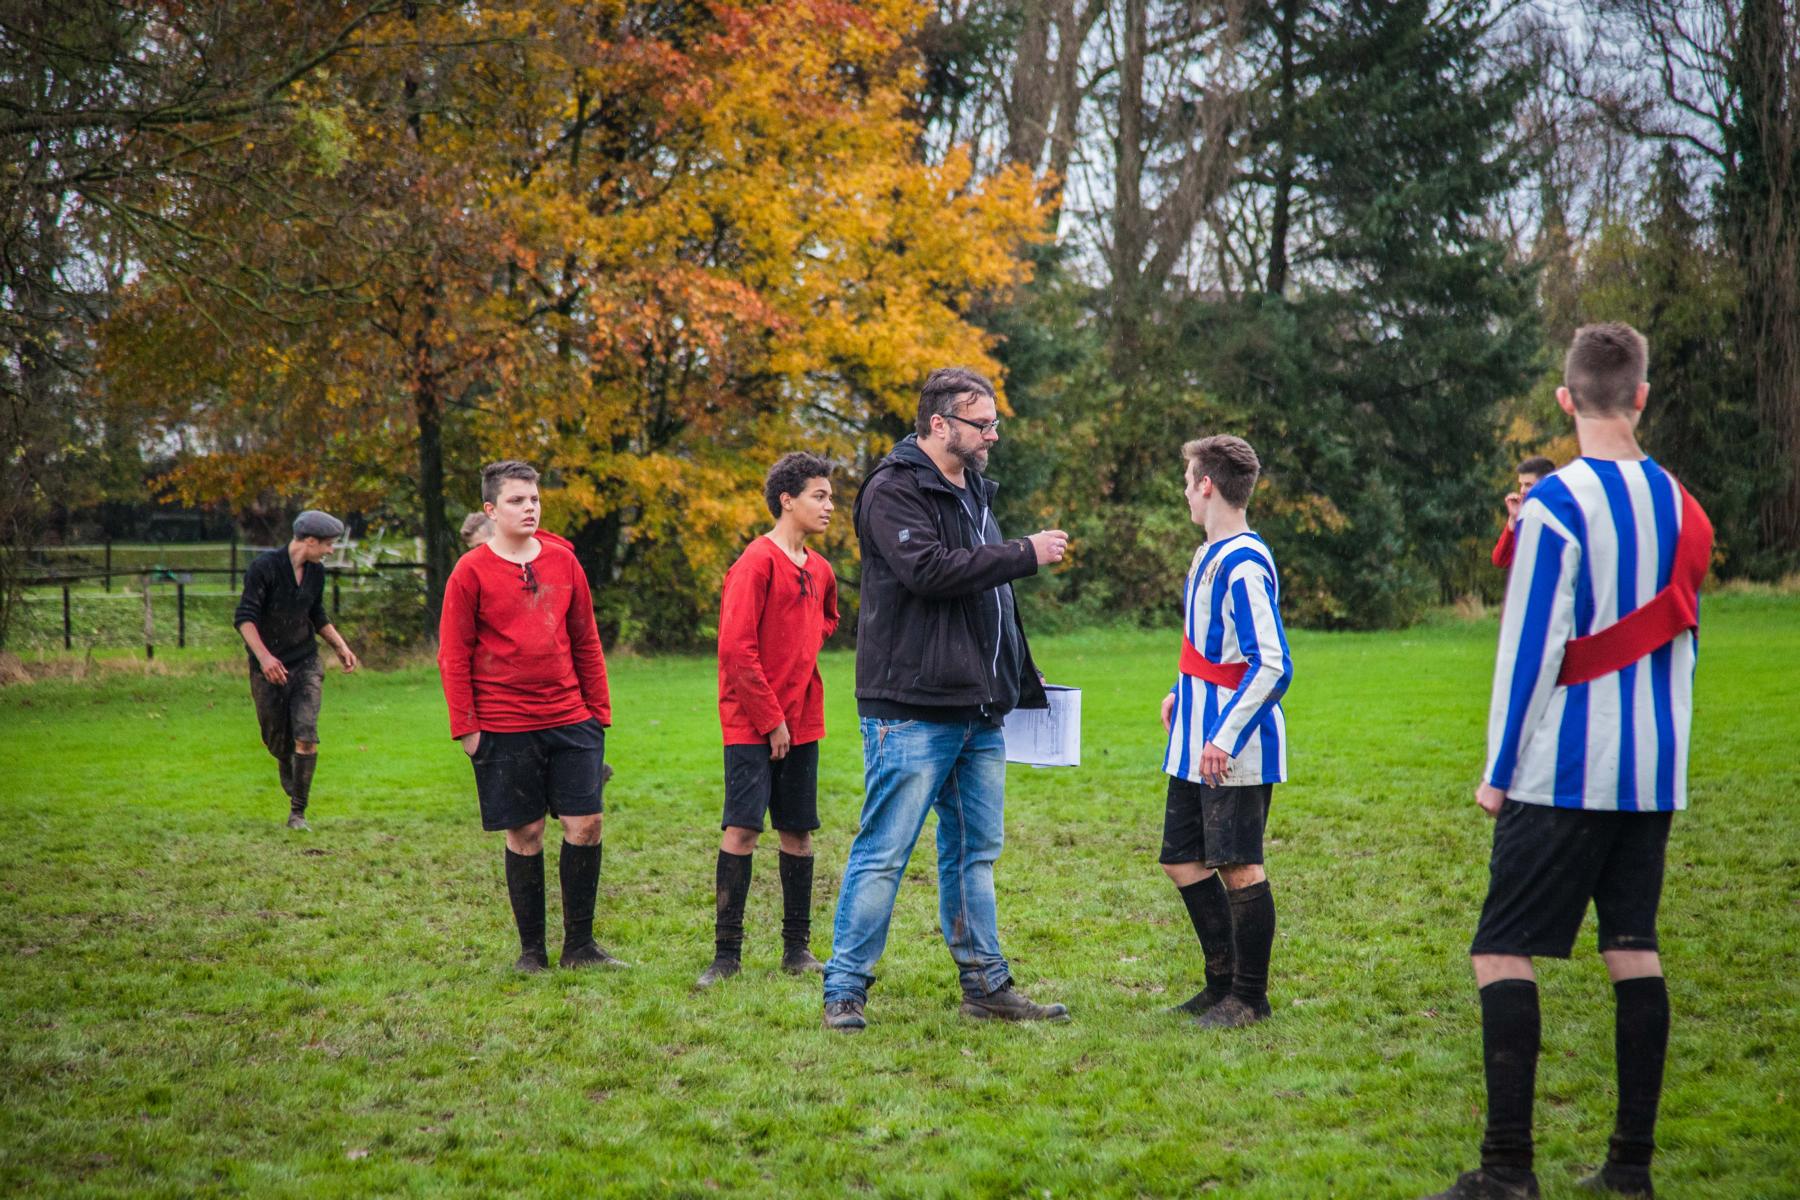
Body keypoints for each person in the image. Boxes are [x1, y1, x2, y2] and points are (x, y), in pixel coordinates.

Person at [1425, 324, 1712, 1200]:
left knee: (1501, 948)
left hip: (1564, 768)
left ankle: (1508, 1169)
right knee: (1633, 948)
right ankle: (1631, 1166)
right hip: (1653, 768)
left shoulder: (1555, 505)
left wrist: (1497, 770)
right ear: (1641, 396)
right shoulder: (1683, 504)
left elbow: (1529, 652)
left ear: (1565, 401)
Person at [821, 366, 1071, 1032]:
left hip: (977, 709)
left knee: (974, 854)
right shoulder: (893, 490)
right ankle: (843, 990)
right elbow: (928, 572)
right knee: (885, 851)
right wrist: (1024, 552)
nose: (992, 434)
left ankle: (986, 987)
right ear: (939, 424)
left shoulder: (973, 492)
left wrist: (1015, 683)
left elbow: (988, 599)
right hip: (909, 709)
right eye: (980, 423)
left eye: (994, 422)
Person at [438, 460, 623, 973]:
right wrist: (468, 728)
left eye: (535, 500)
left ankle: (580, 947)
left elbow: (586, 639)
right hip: (503, 725)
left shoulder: (564, 563)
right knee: (525, 834)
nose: (530, 508)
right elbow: (454, 654)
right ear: (491, 510)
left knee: (585, 824)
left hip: (572, 719)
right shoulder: (469, 572)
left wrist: (597, 712)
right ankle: (532, 952)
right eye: (518, 501)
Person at [1157, 435, 1292, 1030]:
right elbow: (1212, 648)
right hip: (1194, 730)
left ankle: (1250, 997)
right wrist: (1181, 690)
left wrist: (1224, 736)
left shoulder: (1242, 561)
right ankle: (1220, 986)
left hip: (1232, 745)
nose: (1185, 492)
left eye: (1188, 480)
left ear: (1206, 485)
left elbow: (1272, 663)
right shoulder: (1207, 553)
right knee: (1183, 859)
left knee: (1238, 864)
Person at [696, 452, 840, 988]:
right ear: (788, 500)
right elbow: (735, 650)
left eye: (829, 496)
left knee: (798, 834)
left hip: (804, 720)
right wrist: (770, 719)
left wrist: (802, 652)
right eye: (819, 496)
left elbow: (827, 617)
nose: (829, 506)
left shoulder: (820, 569)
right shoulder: (754, 563)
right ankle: (726, 956)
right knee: (742, 831)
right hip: (752, 723)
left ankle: (796, 950)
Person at [233, 510, 360, 831]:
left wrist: (340, 646)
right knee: (276, 740)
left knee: (306, 734)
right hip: (269, 667)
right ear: (310, 541)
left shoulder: (316, 572)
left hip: (305, 662)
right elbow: (244, 619)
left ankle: (298, 813)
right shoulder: (264, 569)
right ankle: (286, 759)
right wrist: (264, 659)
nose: (331, 551)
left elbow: (316, 613)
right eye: (328, 545)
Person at [1491, 457, 1556, 569]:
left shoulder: (1563, 515)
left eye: (1528, 485)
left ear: (1546, 483)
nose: (1522, 490)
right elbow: (1500, 560)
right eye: (1521, 484)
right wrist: (1513, 520)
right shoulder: (1527, 516)